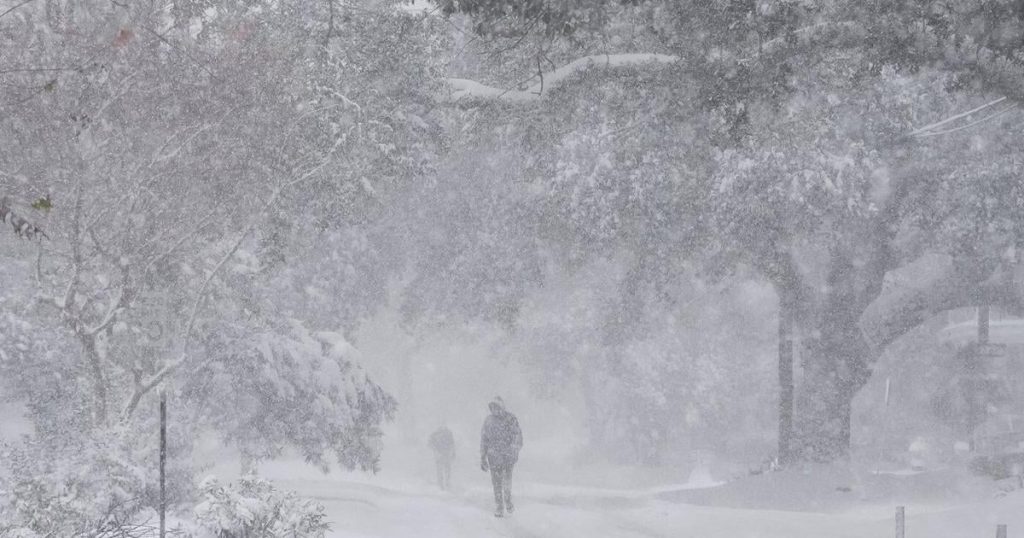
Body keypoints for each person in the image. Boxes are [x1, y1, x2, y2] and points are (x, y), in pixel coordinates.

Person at [480, 396, 522, 517]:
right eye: (492, 408)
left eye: (496, 407)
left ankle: (508, 501)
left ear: (502, 407)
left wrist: (514, 450)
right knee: (496, 483)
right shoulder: (488, 421)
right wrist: (483, 457)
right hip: (493, 457)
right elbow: (484, 440)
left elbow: (517, 436)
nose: (494, 410)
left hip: (508, 457)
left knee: (507, 482)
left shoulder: (510, 419)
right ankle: (499, 506)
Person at [428, 425, 456, 491]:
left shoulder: (446, 433)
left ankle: (444, 484)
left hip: (443, 454)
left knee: (444, 470)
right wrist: (435, 450)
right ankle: (443, 484)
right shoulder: (438, 433)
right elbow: (452, 443)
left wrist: (453, 452)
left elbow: (452, 443)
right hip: (442, 454)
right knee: (443, 470)